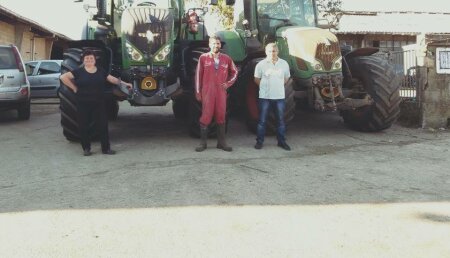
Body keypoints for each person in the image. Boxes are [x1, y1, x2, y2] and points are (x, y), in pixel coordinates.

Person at [59, 49, 132, 156]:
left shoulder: (100, 71)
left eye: (91, 58)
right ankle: (86, 148)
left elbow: (111, 79)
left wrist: (125, 84)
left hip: (98, 102)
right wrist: (74, 88)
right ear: (84, 60)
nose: (89, 60)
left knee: (103, 125)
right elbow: (63, 77)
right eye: (87, 58)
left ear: (94, 60)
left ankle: (106, 149)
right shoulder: (78, 72)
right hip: (83, 102)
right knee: (83, 126)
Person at [195, 35, 238, 152]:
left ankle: (221, 143)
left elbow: (235, 72)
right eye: (214, 43)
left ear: (220, 45)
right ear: (209, 45)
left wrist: (228, 83)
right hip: (207, 91)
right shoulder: (203, 58)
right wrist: (198, 92)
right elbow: (198, 76)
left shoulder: (226, 59)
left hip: (221, 92)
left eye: (218, 43)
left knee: (221, 115)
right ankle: (203, 143)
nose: (216, 45)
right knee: (206, 116)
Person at [254, 43, 291, 151]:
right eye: (270, 51)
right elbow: (256, 79)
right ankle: (259, 142)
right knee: (262, 121)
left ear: (277, 52)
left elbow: (286, 78)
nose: (272, 53)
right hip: (265, 97)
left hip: (279, 97)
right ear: (266, 52)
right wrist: (265, 87)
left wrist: (278, 86)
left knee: (280, 120)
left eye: (274, 51)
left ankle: (281, 142)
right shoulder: (261, 64)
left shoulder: (284, 63)